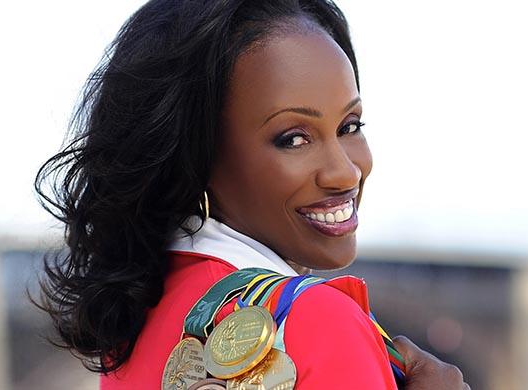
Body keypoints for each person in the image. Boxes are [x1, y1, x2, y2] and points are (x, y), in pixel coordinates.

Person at [35, 0, 469, 388]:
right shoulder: (317, 325)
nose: (345, 172)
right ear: (197, 156)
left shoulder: (132, 323)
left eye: (349, 126)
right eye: (294, 138)